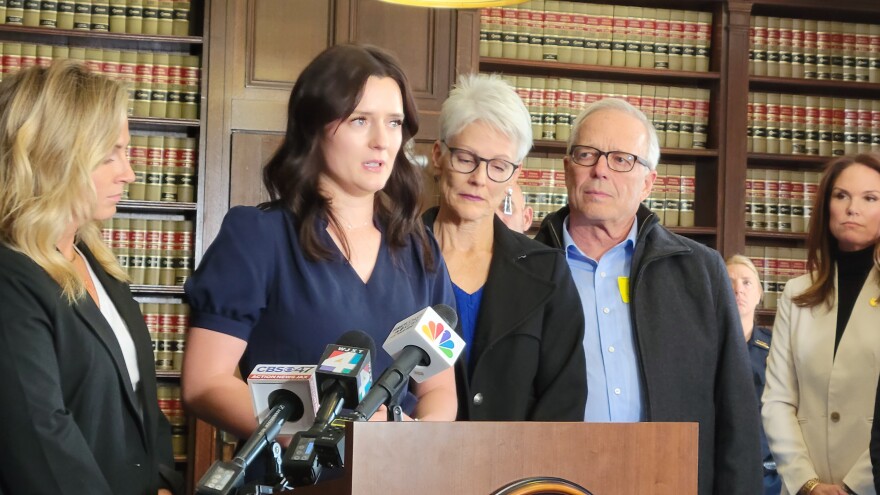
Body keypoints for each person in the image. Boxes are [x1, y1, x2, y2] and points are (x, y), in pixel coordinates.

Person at [182, 44, 457, 458]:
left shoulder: (420, 248)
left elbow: (438, 389)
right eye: (360, 120)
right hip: (291, 479)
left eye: (395, 122)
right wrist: (322, 434)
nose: (382, 142)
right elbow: (205, 383)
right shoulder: (256, 236)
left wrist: (409, 444)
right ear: (314, 127)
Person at [534, 97, 761, 494]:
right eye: (586, 154)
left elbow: (737, 416)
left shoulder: (701, 271)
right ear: (567, 167)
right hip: (555, 483)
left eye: (621, 159)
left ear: (649, 182)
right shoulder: (525, 269)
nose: (600, 170)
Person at [0, 62, 181, 495]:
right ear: (54, 157)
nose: (129, 173)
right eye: (109, 154)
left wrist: (160, 483)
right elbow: (40, 439)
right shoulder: (10, 279)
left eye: (128, 151)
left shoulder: (97, 264)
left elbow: (141, 399)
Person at [422, 74, 586, 421]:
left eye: (498, 166)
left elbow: (563, 403)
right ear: (438, 156)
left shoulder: (547, 271)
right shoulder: (391, 259)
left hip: (517, 471)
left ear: (515, 175)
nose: (479, 178)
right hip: (406, 464)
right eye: (466, 158)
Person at [763, 153, 880, 495]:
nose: (851, 208)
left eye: (870, 198)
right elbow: (778, 399)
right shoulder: (796, 293)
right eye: (841, 195)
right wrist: (808, 483)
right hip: (803, 487)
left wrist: (851, 486)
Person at [726, 254, 781, 495]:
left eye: (747, 282)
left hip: (769, 475)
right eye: (729, 282)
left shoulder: (778, 348)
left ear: (760, 293)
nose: (738, 290)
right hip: (719, 471)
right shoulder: (702, 348)